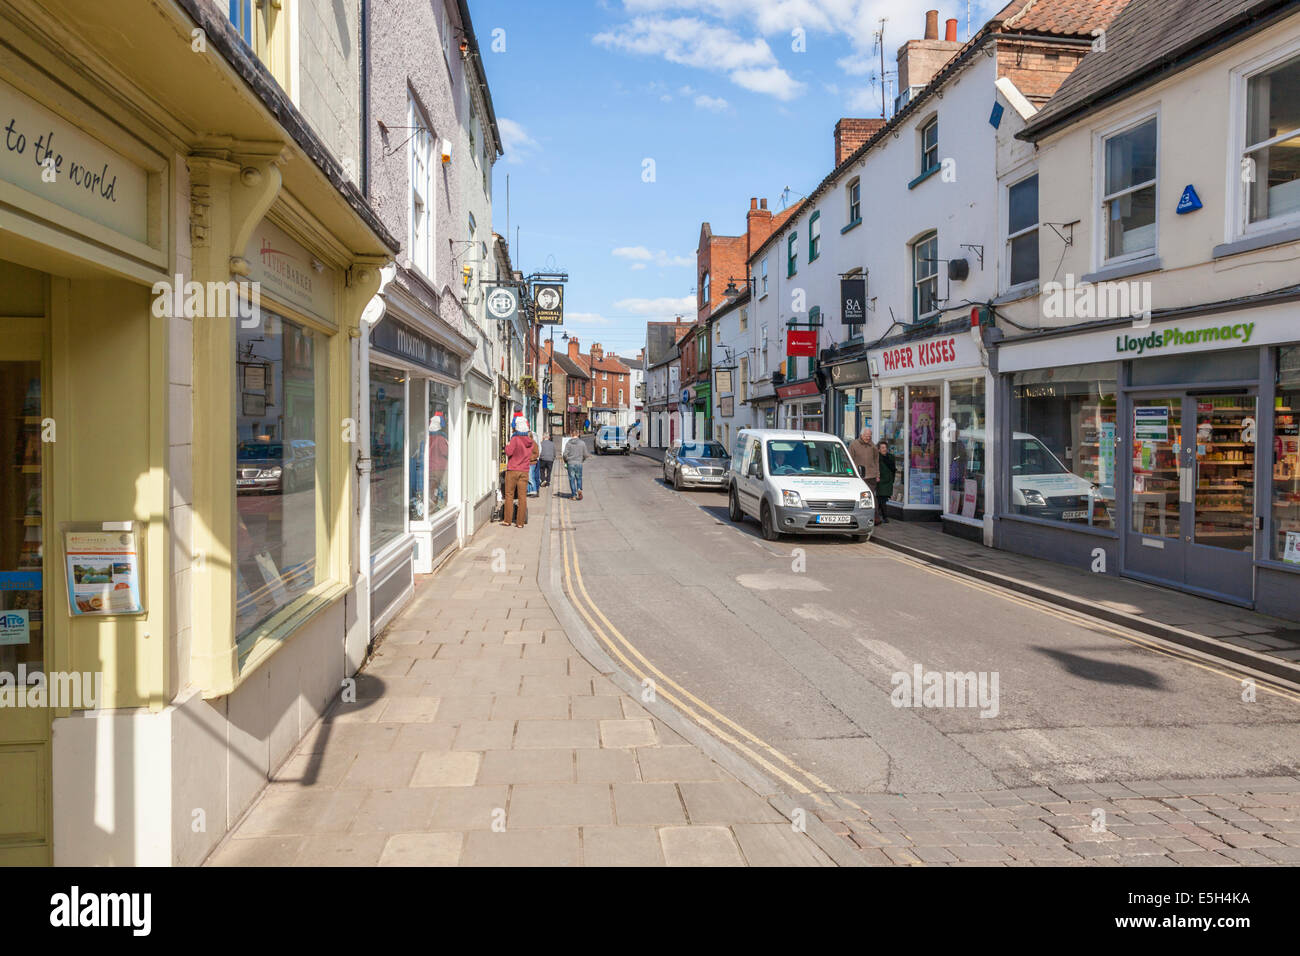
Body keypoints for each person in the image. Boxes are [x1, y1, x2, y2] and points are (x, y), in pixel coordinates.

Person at [502, 420, 535, 527]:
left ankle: (507, 520)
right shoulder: (530, 441)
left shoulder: (515, 439)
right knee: (522, 497)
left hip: (513, 470)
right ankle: (520, 523)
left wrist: (507, 445)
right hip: (524, 471)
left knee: (509, 495)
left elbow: (508, 452)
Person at [848, 427, 880, 504]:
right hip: (859, 476)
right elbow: (849, 460)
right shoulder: (854, 444)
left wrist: (877, 475)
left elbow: (876, 461)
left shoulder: (873, 446)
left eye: (869, 436)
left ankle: (873, 514)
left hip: (871, 476)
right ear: (861, 435)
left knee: (870, 497)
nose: (868, 438)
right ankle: (865, 513)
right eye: (866, 436)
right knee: (862, 497)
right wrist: (850, 473)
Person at [563, 430, 587, 500]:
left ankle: (573, 495)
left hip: (570, 463)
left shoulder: (568, 443)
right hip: (579, 463)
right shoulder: (582, 443)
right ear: (578, 434)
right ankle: (579, 489)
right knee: (579, 478)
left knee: (572, 479)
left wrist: (566, 460)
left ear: (571, 435)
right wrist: (582, 460)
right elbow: (585, 454)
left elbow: (565, 454)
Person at [876, 440, 895, 524]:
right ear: (879, 449)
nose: (884, 449)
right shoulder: (877, 458)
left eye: (885, 447)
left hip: (888, 482)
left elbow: (893, 469)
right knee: (882, 499)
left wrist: (892, 480)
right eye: (882, 448)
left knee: (881, 500)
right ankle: (884, 517)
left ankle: (876, 516)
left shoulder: (891, 457)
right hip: (881, 481)